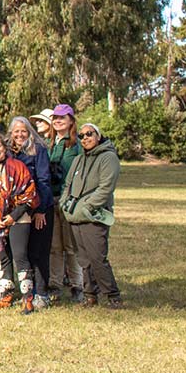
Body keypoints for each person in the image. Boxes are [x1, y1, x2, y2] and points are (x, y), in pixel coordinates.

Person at [60, 123, 122, 308]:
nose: (85, 138)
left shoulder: (108, 158)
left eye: (89, 134)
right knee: (83, 259)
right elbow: (68, 184)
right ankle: (90, 295)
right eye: (81, 136)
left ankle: (113, 296)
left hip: (94, 216)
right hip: (75, 216)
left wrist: (86, 207)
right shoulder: (79, 159)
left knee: (97, 257)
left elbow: (106, 188)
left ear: (98, 135)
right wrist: (64, 203)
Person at [0, 133, 39, 313]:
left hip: (19, 218)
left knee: (20, 256)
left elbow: (29, 193)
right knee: (3, 257)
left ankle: (27, 297)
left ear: (5, 147)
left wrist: (14, 216)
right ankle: (6, 295)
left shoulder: (19, 168)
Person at [8, 116, 54, 306]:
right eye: (16, 131)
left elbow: (43, 180)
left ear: (29, 132)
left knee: (39, 251)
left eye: (23, 131)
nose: (20, 134)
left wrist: (41, 209)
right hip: (18, 209)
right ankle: (27, 293)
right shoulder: (9, 152)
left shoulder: (39, 149)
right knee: (23, 253)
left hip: (39, 207)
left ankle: (41, 293)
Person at [47, 104, 83, 301]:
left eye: (62, 117)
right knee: (54, 247)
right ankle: (55, 284)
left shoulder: (76, 145)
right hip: (50, 199)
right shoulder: (49, 144)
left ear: (71, 120)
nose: (58, 121)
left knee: (71, 246)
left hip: (68, 200)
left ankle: (78, 285)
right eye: (55, 118)